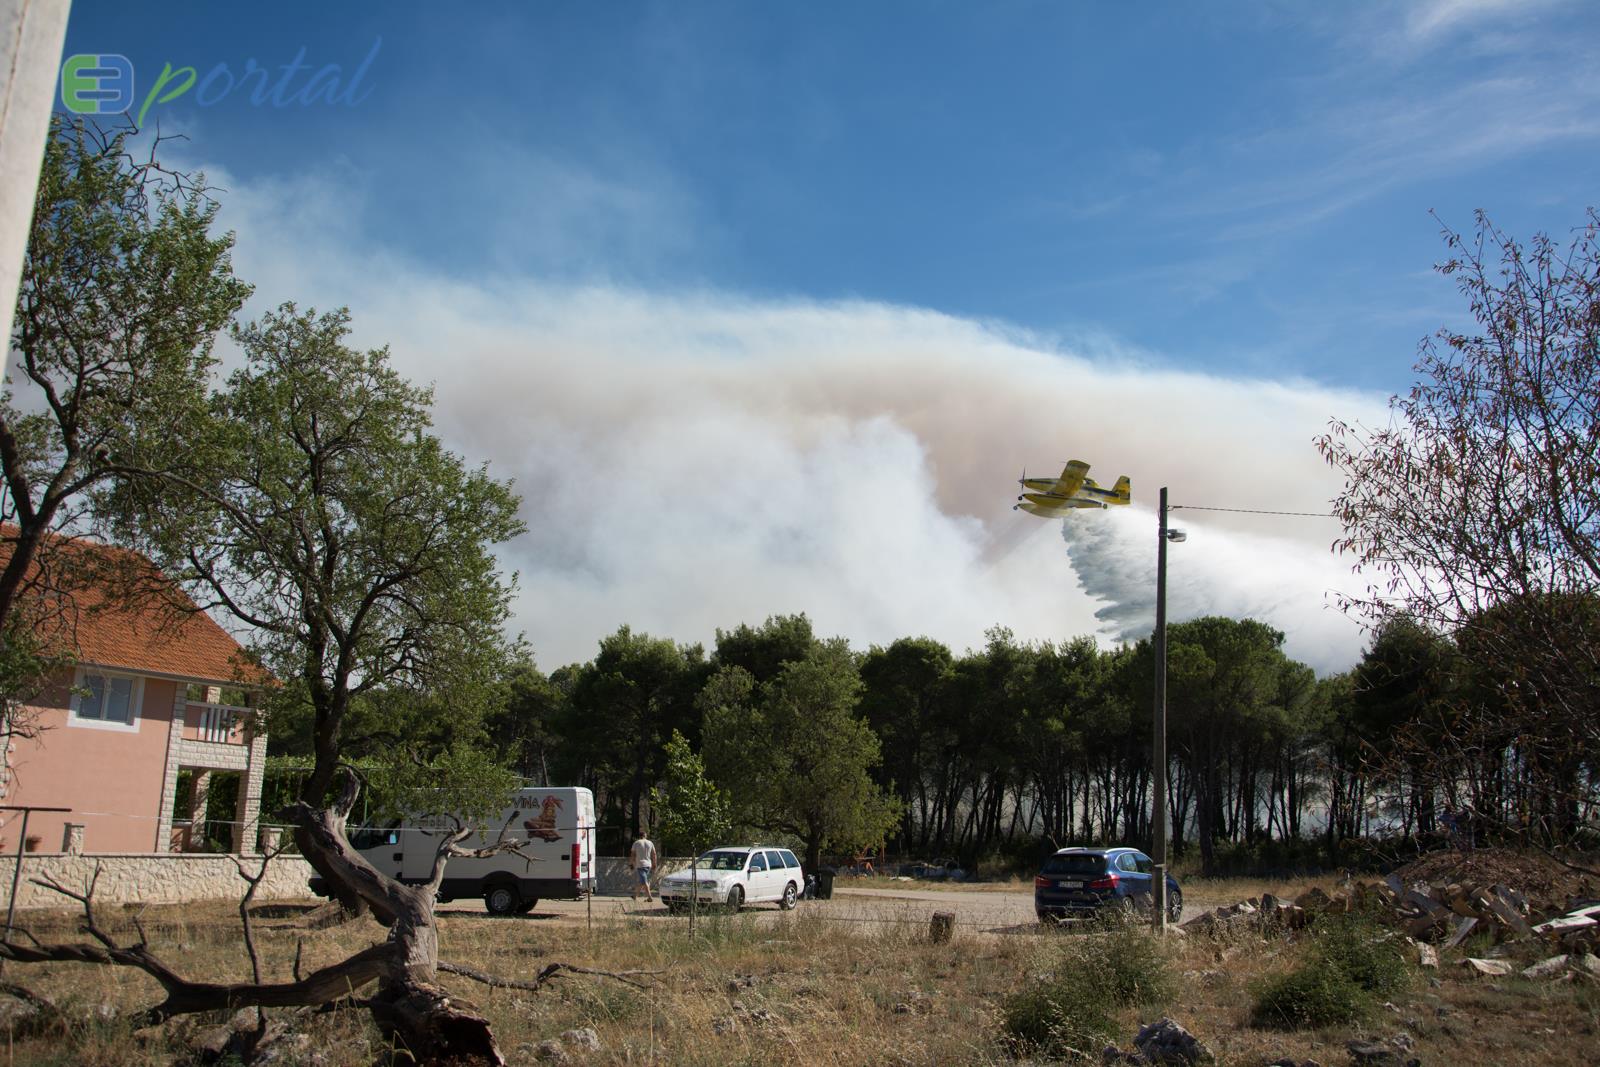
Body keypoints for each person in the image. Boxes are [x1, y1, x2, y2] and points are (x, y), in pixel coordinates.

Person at [630, 830, 657, 903]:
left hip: (640, 864)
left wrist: (631, 863)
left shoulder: (636, 843)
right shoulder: (650, 843)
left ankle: (650, 897)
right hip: (648, 865)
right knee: (643, 881)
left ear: (639, 836)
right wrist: (654, 863)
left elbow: (632, 854)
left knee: (644, 881)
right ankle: (635, 896)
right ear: (645, 836)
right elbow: (654, 854)